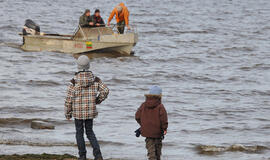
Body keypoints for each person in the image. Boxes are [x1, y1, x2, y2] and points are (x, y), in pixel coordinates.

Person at [64, 55, 109, 160]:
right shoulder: (95, 79)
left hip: (78, 112)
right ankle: (98, 155)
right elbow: (105, 90)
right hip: (90, 111)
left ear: (78, 66)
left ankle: (82, 156)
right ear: (89, 65)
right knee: (90, 132)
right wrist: (97, 100)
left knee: (79, 133)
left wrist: (68, 113)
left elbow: (69, 99)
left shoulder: (74, 81)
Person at [135, 86, 168, 160]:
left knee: (151, 151)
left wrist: (143, 125)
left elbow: (137, 116)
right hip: (158, 133)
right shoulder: (160, 106)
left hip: (147, 133)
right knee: (157, 151)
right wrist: (165, 128)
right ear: (160, 96)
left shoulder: (143, 105)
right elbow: (164, 119)